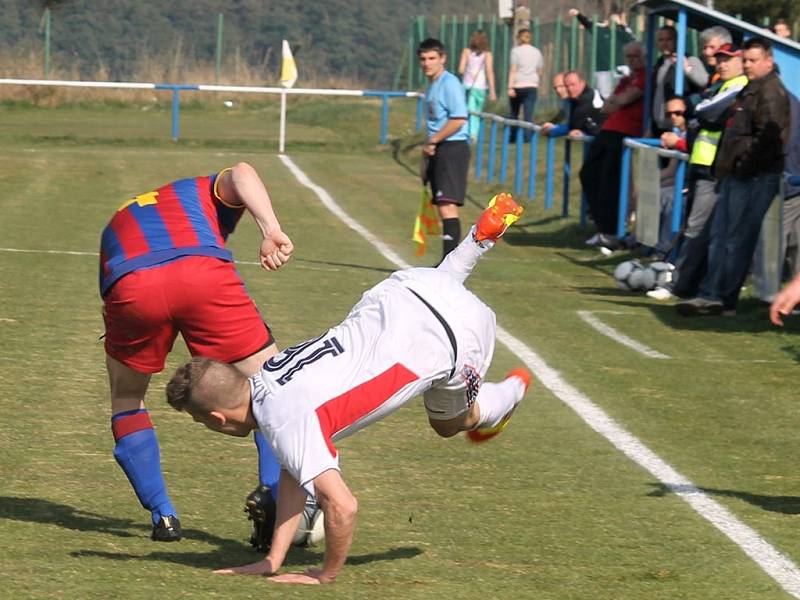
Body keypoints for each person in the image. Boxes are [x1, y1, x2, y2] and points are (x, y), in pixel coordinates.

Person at [165, 194, 532, 585]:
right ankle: (477, 238)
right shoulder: (268, 377)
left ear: (218, 419)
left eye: (202, 422)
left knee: (455, 421)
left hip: (458, 334)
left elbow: (343, 507)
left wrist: (325, 574)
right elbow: (293, 469)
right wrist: (274, 559)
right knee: (429, 294)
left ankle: (510, 392)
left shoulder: (284, 421)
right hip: (411, 287)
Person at [100, 163, 293, 543]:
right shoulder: (202, 189)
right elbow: (242, 171)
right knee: (274, 385)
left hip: (131, 282)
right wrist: (271, 229)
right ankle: (273, 498)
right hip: (199, 272)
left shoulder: (121, 217)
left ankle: (163, 515)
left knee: (127, 398)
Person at [677, 38, 791, 316]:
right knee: (721, 235)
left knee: (736, 238)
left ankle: (723, 298)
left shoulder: (771, 92)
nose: (748, 65)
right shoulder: (750, 89)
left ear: (768, 61)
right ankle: (711, 294)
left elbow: (769, 139)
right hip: (736, 174)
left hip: (753, 177)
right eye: (747, 60)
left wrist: (743, 164)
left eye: (753, 60)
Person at [648, 42, 748, 301]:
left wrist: (700, 110)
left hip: (716, 168)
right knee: (701, 229)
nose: (722, 63)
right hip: (703, 164)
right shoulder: (718, 85)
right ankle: (693, 284)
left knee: (698, 229)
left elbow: (706, 113)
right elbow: (700, 113)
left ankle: (682, 285)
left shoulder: (739, 86)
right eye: (720, 59)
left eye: (728, 59)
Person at [579, 41, 646, 251]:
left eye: (636, 56)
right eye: (629, 57)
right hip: (609, 129)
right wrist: (619, 100)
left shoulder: (645, 77)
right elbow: (607, 107)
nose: (632, 60)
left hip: (625, 133)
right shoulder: (627, 79)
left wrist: (619, 100)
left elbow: (625, 99)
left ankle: (612, 230)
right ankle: (602, 226)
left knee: (611, 180)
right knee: (588, 174)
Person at [419, 37, 470, 262]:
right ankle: (447, 262)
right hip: (440, 148)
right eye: (423, 59)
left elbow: (459, 118)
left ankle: (449, 265)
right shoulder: (433, 85)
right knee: (442, 206)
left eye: (432, 58)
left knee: (448, 205)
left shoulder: (449, 83)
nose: (427, 63)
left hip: (452, 147)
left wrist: (434, 140)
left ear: (443, 59)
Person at [651, 26, 708, 136]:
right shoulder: (658, 65)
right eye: (661, 40)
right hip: (659, 126)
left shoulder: (689, 60)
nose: (664, 43)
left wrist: (687, 69)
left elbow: (704, 81)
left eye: (668, 39)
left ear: (677, 40)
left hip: (680, 127)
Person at [653, 95, 689, 255]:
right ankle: (642, 242)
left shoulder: (691, 133)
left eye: (678, 113)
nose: (673, 117)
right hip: (682, 182)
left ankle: (664, 250)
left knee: (670, 199)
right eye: (669, 114)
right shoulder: (676, 135)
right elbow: (672, 170)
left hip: (696, 184)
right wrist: (649, 183)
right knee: (655, 193)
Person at [458, 30, 496, 141]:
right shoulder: (487, 54)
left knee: (468, 110)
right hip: (481, 86)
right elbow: (489, 71)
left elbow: (460, 70)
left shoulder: (466, 52)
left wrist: (468, 71)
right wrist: (492, 91)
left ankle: (468, 132)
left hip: (467, 85)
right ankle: (474, 133)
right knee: (477, 112)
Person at [541, 71, 605, 137]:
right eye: (555, 88)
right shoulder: (573, 99)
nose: (558, 90)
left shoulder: (585, 99)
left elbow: (575, 124)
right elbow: (567, 118)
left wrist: (553, 131)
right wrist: (553, 124)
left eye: (561, 86)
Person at [507, 28, 543, 141]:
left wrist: (510, 87)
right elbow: (540, 71)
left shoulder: (515, 51)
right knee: (528, 114)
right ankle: (528, 137)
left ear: (518, 38)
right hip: (532, 84)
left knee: (514, 113)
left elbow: (513, 69)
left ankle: (512, 136)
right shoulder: (537, 52)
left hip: (518, 84)